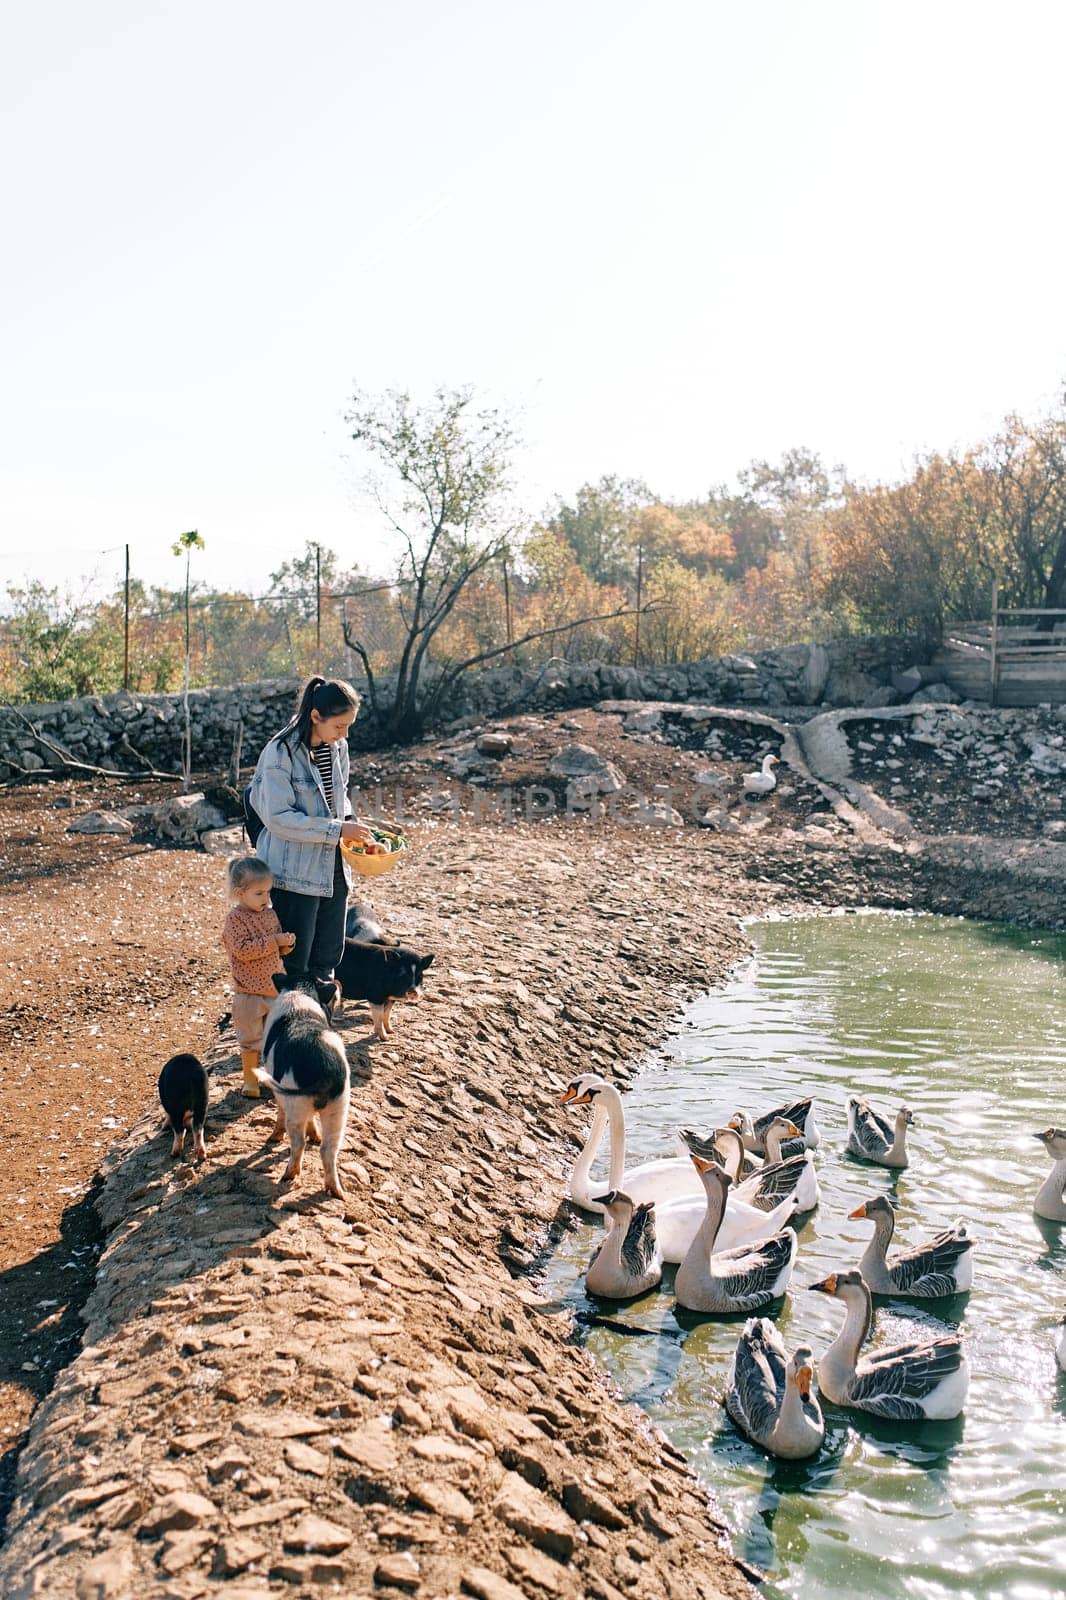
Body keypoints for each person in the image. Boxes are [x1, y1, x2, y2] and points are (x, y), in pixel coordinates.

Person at [249, 676, 374, 991]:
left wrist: (350, 821)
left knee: (328, 954)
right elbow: (278, 817)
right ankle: (291, 1024)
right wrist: (337, 829)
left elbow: (339, 795)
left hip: (332, 864)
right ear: (316, 717)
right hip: (292, 872)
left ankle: (321, 1017)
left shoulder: (337, 746)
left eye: (348, 726)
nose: (344, 734)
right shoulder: (280, 752)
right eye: (339, 726)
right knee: (296, 958)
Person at [222, 855, 296, 1097]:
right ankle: (250, 1081)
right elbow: (242, 951)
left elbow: (277, 947)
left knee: (276, 1036)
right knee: (250, 1038)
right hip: (249, 992)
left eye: (268, 893)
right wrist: (274, 942)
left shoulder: (270, 914)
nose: (266, 899)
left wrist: (286, 944)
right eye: (259, 893)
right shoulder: (234, 920)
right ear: (239, 893)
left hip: (274, 989)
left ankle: (274, 1077)